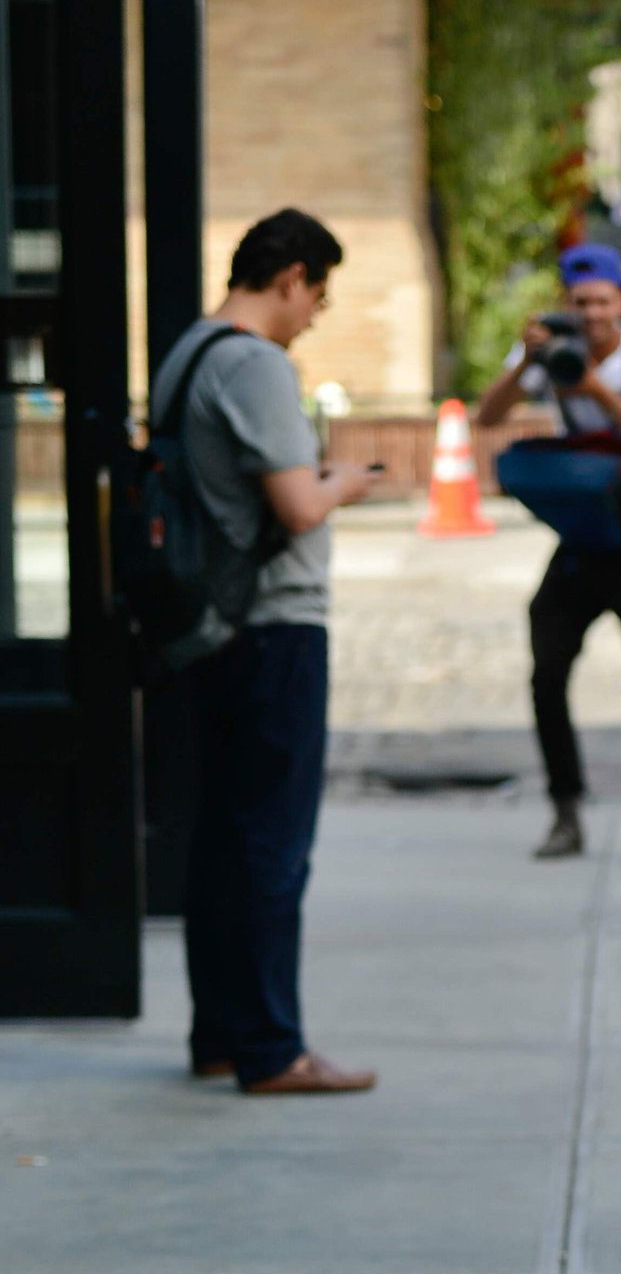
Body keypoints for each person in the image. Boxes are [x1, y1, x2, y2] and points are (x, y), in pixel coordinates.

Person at [152, 208, 377, 1096]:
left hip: (207, 626)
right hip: (271, 626)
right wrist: (346, 483)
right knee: (273, 846)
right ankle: (273, 1049)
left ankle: (220, 1034)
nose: (315, 312)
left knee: (219, 838)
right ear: (288, 277)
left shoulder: (187, 353)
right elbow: (294, 506)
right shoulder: (252, 363)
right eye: (316, 293)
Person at [476, 242, 621, 861]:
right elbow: (487, 417)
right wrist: (527, 362)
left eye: (602, 302)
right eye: (580, 304)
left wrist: (596, 388)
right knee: (546, 669)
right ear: (565, 305)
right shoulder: (552, 347)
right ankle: (565, 810)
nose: (592, 315)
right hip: (582, 534)